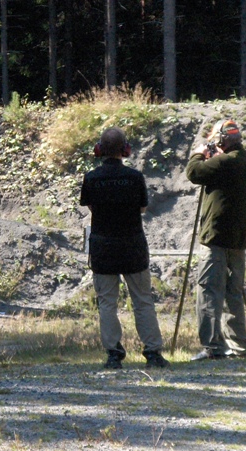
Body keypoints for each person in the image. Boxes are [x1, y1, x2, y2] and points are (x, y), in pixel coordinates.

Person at [80, 127, 170, 369]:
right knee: (143, 301)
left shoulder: (91, 178)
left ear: (99, 150)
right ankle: (152, 353)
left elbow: (91, 207)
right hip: (132, 246)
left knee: (107, 303)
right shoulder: (135, 177)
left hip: (103, 248)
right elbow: (142, 209)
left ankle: (113, 354)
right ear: (125, 150)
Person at [185, 119, 246, 361]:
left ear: (221, 140)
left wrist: (199, 154)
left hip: (216, 237)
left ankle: (213, 347)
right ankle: (239, 346)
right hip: (239, 239)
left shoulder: (225, 161)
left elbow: (194, 173)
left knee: (209, 290)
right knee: (234, 293)